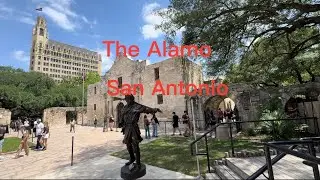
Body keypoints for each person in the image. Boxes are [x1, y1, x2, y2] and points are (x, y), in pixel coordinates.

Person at [118, 94, 162, 170]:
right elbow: (122, 116)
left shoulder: (137, 106)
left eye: (129, 99)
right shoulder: (125, 108)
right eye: (126, 99)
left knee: (135, 145)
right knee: (128, 144)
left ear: (132, 99)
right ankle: (132, 158)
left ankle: (138, 163)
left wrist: (155, 109)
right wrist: (121, 122)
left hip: (134, 128)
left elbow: (147, 109)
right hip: (127, 128)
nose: (128, 100)